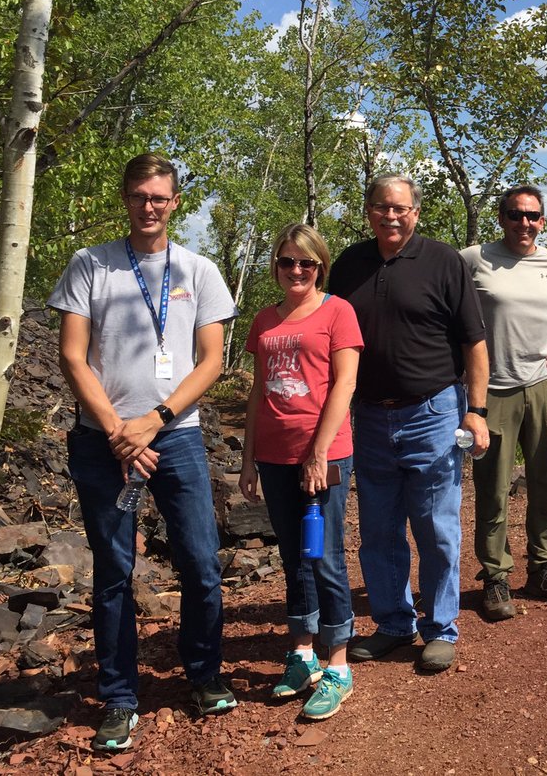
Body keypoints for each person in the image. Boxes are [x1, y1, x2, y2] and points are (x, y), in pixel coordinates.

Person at [48, 153, 238, 753]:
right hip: (101, 441)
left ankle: (204, 675)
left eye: (159, 197)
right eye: (138, 196)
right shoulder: (90, 265)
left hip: (176, 436)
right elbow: (73, 355)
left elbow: (212, 360)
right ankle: (119, 696)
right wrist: (116, 430)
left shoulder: (198, 270)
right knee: (112, 573)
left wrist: (152, 422)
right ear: (125, 198)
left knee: (202, 563)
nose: (148, 206)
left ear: (175, 202)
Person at [328, 173, 489, 673]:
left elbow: (474, 342)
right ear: (368, 211)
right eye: (381, 207)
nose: (390, 216)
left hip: (433, 411)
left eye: (400, 208)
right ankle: (394, 624)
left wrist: (476, 411)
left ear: (416, 212)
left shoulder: (443, 262)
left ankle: (440, 628)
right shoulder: (349, 264)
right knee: (378, 528)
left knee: (437, 527)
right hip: (370, 415)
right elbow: (330, 336)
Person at [239, 224, 362, 720]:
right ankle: (302, 654)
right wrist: (247, 458)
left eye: (306, 263)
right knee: (294, 556)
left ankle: (339, 665)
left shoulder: (338, 312)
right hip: (273, 454)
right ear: (276, 265)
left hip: (324, 455)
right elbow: (257, 392)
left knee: (326, 555)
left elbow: (345, 383)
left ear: (320, 267)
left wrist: (319, 452)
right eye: (288, 261)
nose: (296, 270)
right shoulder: (265, 320)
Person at [460, 186, 547, 620]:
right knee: (493, 488)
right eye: (516, 215)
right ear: (501, 217)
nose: (525, 223)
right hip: (492, 389)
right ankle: (495, 576)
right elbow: (445, 309)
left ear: (543, 220)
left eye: (533, 216)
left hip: (544, 385)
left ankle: (544, 568)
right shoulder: (473, 259)